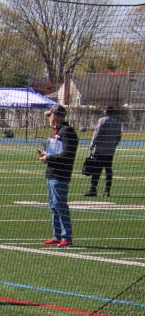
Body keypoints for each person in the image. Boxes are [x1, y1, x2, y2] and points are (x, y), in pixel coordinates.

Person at [38, 104, 78, 247]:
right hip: (52, 173)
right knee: (54, 206)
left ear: (56, 116)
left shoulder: (67, 132)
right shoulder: (58, 131)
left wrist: (49, 158)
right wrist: (45, 155)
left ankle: (66, 237)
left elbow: (67, 154)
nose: (48, 118)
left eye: (50, 115)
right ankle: (57, 236)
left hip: (60, 174)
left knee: (60, 206)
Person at [85, 105, 122, 197]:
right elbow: (118, 137)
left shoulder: (102, 120)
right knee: (108, 170)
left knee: (97, 170)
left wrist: (91, 145)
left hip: (100, 150)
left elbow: (97, 134)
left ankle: (93, 189)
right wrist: (113, 146)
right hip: (110, 151)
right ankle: (107, 190)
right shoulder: (118, 122)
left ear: (105, 111)